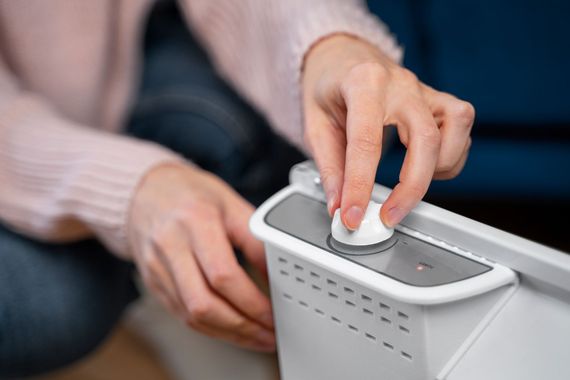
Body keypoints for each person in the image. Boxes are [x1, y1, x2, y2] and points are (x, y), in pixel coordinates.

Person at [0, 0, 473, 376]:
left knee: (246, 138)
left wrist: (329, 46)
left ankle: (183, 271)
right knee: (57, 306)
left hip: (125, 49)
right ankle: (161, 281)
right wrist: (131, 189)